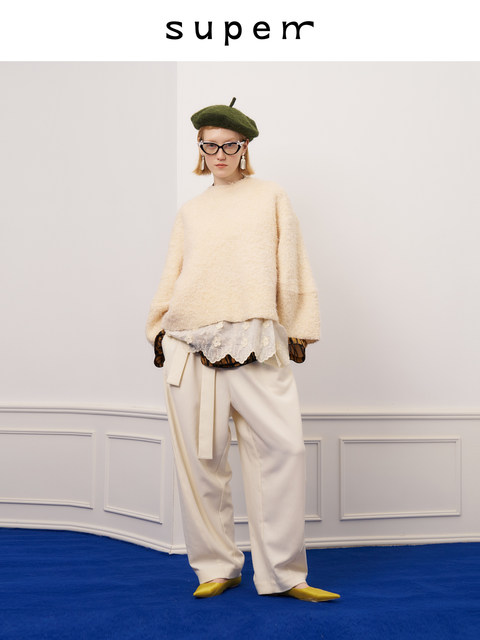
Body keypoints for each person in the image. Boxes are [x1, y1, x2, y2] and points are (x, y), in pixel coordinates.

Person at [146, 98, 340, 603]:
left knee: (283, 450)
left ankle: (284, 574)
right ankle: (216, 566)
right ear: (200, 149)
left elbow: (292, 264)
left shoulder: (271, 196)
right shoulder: (190, 211)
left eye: (229, 145)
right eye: (209, 146)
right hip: (189, 344)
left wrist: (299, 328)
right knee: (201, 463)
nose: (219, 155)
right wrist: (158, 330)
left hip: (255, 340)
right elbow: (173, 274)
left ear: (245, 147)